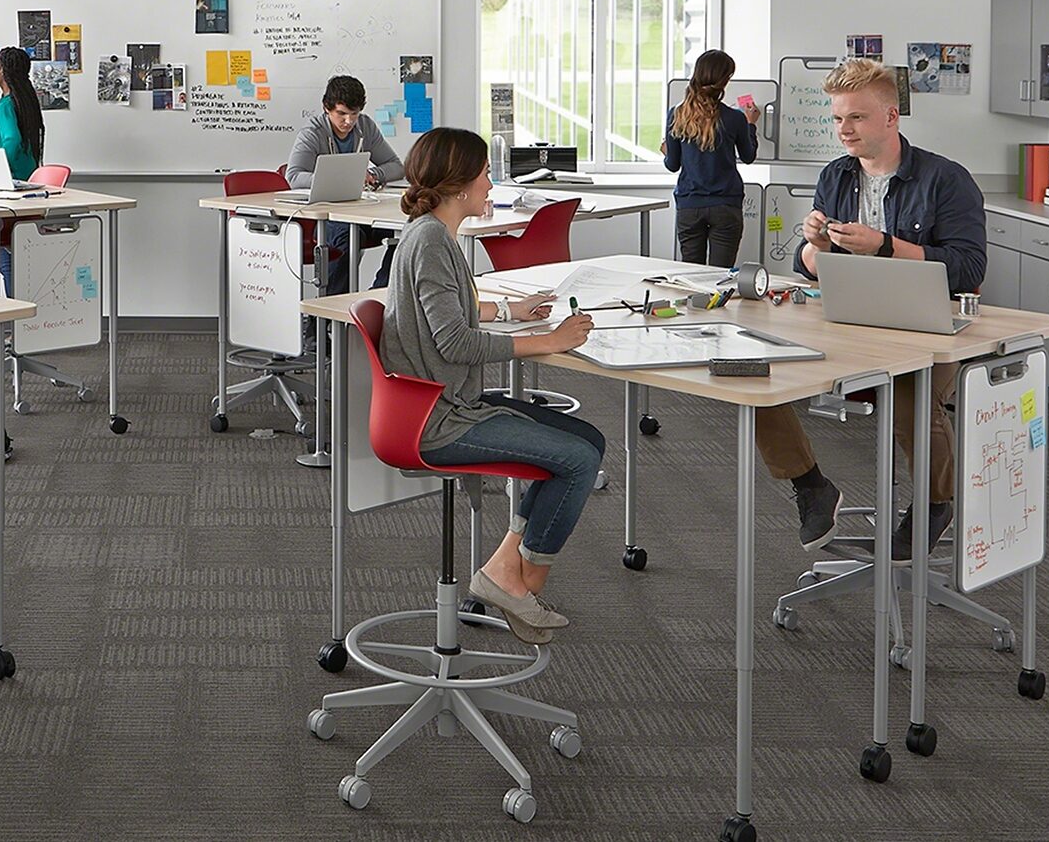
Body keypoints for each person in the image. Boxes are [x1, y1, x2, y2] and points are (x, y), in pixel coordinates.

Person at [380, 126, 606, 645]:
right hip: (438, 420)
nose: (489, 183)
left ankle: (506, 574)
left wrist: (511, 311)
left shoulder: (434, 233)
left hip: (449, 402)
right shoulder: (432, 242)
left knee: (588, 439)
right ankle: (522, 585)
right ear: (459, 184)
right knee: (576, 460)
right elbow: (456, 341)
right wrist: (546, 342)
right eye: (484, 173)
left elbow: (451, 311)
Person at [765, 58, 986, 561]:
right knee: (756, 374)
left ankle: (935, 502)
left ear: (891, 117)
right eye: (838, 118)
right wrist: (813, 246)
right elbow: (812, 270)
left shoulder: (946, 180)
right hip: (847, 322)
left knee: (911, 391)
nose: (844, 130)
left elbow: (968, 270)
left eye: (856, 118)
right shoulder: (835, 177)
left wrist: (884, 246)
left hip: (926, 328)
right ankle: (809, 483)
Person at [287, 75, 405, 294]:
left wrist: (374, 173)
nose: (349, 121)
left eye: (354, 114)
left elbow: (397, 167)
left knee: (408, 231)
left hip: (359, 212)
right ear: (327, 108)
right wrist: (334, 179)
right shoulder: (312, 133)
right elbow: (293, 176)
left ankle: (378, 296)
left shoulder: (365, 127)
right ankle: (327, 314)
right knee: (349, 239)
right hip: (326, 217)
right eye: (341, 114)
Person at [661, 49, 759, 267]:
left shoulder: (676, 115)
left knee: (690, 273)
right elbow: (749, 156)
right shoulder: (735, 118)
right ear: (724, 82)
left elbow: (672, 165)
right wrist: (751, 125)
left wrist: (667, 150)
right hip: (726, 205)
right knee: (721, 275)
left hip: (689, 204)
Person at [0, 46, 47, 180]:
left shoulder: (6, 105)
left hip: (10, 177)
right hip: (28, 175)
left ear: (2, 71)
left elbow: (12, 138)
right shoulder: (23, 101)